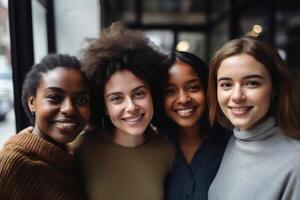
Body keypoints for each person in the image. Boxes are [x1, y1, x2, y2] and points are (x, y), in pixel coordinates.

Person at [73, 22, 175, 200]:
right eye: (116, 98)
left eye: (139, 93)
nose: (131, 107)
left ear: (153, 93)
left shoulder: (167, 151)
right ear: (103, 105)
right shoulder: (81, 150)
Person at [207, 37, 300, 200]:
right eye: (226, 84)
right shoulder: (234, 141)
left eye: (251, 83)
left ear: (274, 88)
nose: (237, 96)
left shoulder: (295, 163)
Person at [0, 54, 90, 200]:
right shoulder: (12, 165)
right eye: (54, 97)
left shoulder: (72, 158)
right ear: (32, 102)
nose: (69, 109)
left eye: (82, 100)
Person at [159, 51, 230, 200]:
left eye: (193, 88)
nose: (183, 99)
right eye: (170, 91)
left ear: (207, 89)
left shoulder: (232, 144)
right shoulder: (155, 147)